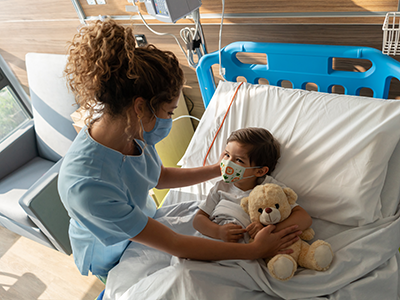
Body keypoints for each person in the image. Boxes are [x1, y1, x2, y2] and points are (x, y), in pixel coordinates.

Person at [57, 18, 302, 282]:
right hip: (110, 249)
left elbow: (158, 177)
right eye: (169, 111)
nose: (169, 120)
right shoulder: (87, 186)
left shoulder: (130, 131)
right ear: (140, 107)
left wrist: (216, 170)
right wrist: (253, 250)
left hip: (145, 221)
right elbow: (175, 244)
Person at [193, 127, 312, 243]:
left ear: (260, 171)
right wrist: (218, 232)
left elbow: (304, 218)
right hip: (214, 241)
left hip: (245, 248)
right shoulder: (221, 186)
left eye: (239, 160)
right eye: (227, 155)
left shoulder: (270, 189)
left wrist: (268, 230)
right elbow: (198, 220)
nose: (228, 163)